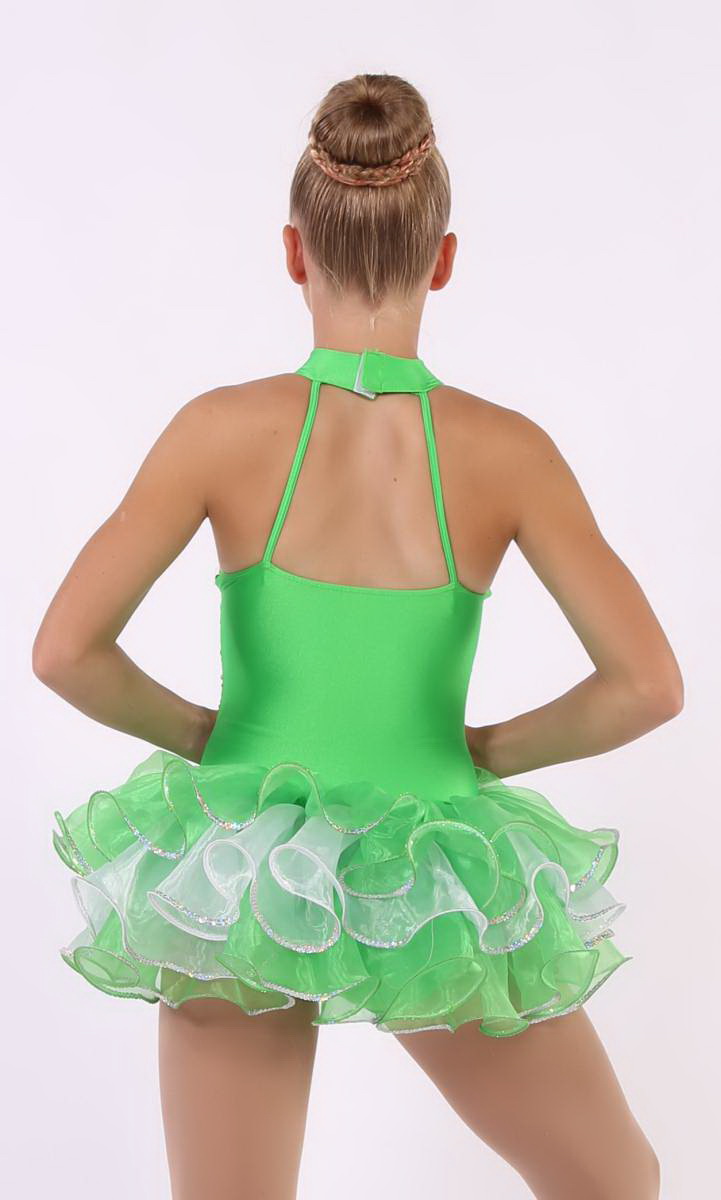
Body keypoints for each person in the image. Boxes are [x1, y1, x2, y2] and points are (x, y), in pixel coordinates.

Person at [33, 72, 681, 1200]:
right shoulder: (510, 454)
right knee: (614, 1180)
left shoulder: (217, 432)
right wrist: (479, 754)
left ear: (294, 253)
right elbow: (645, 685)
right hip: (429, 868)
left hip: (238, 866)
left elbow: (64, 651)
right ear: (443, 259)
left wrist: (211, 740)